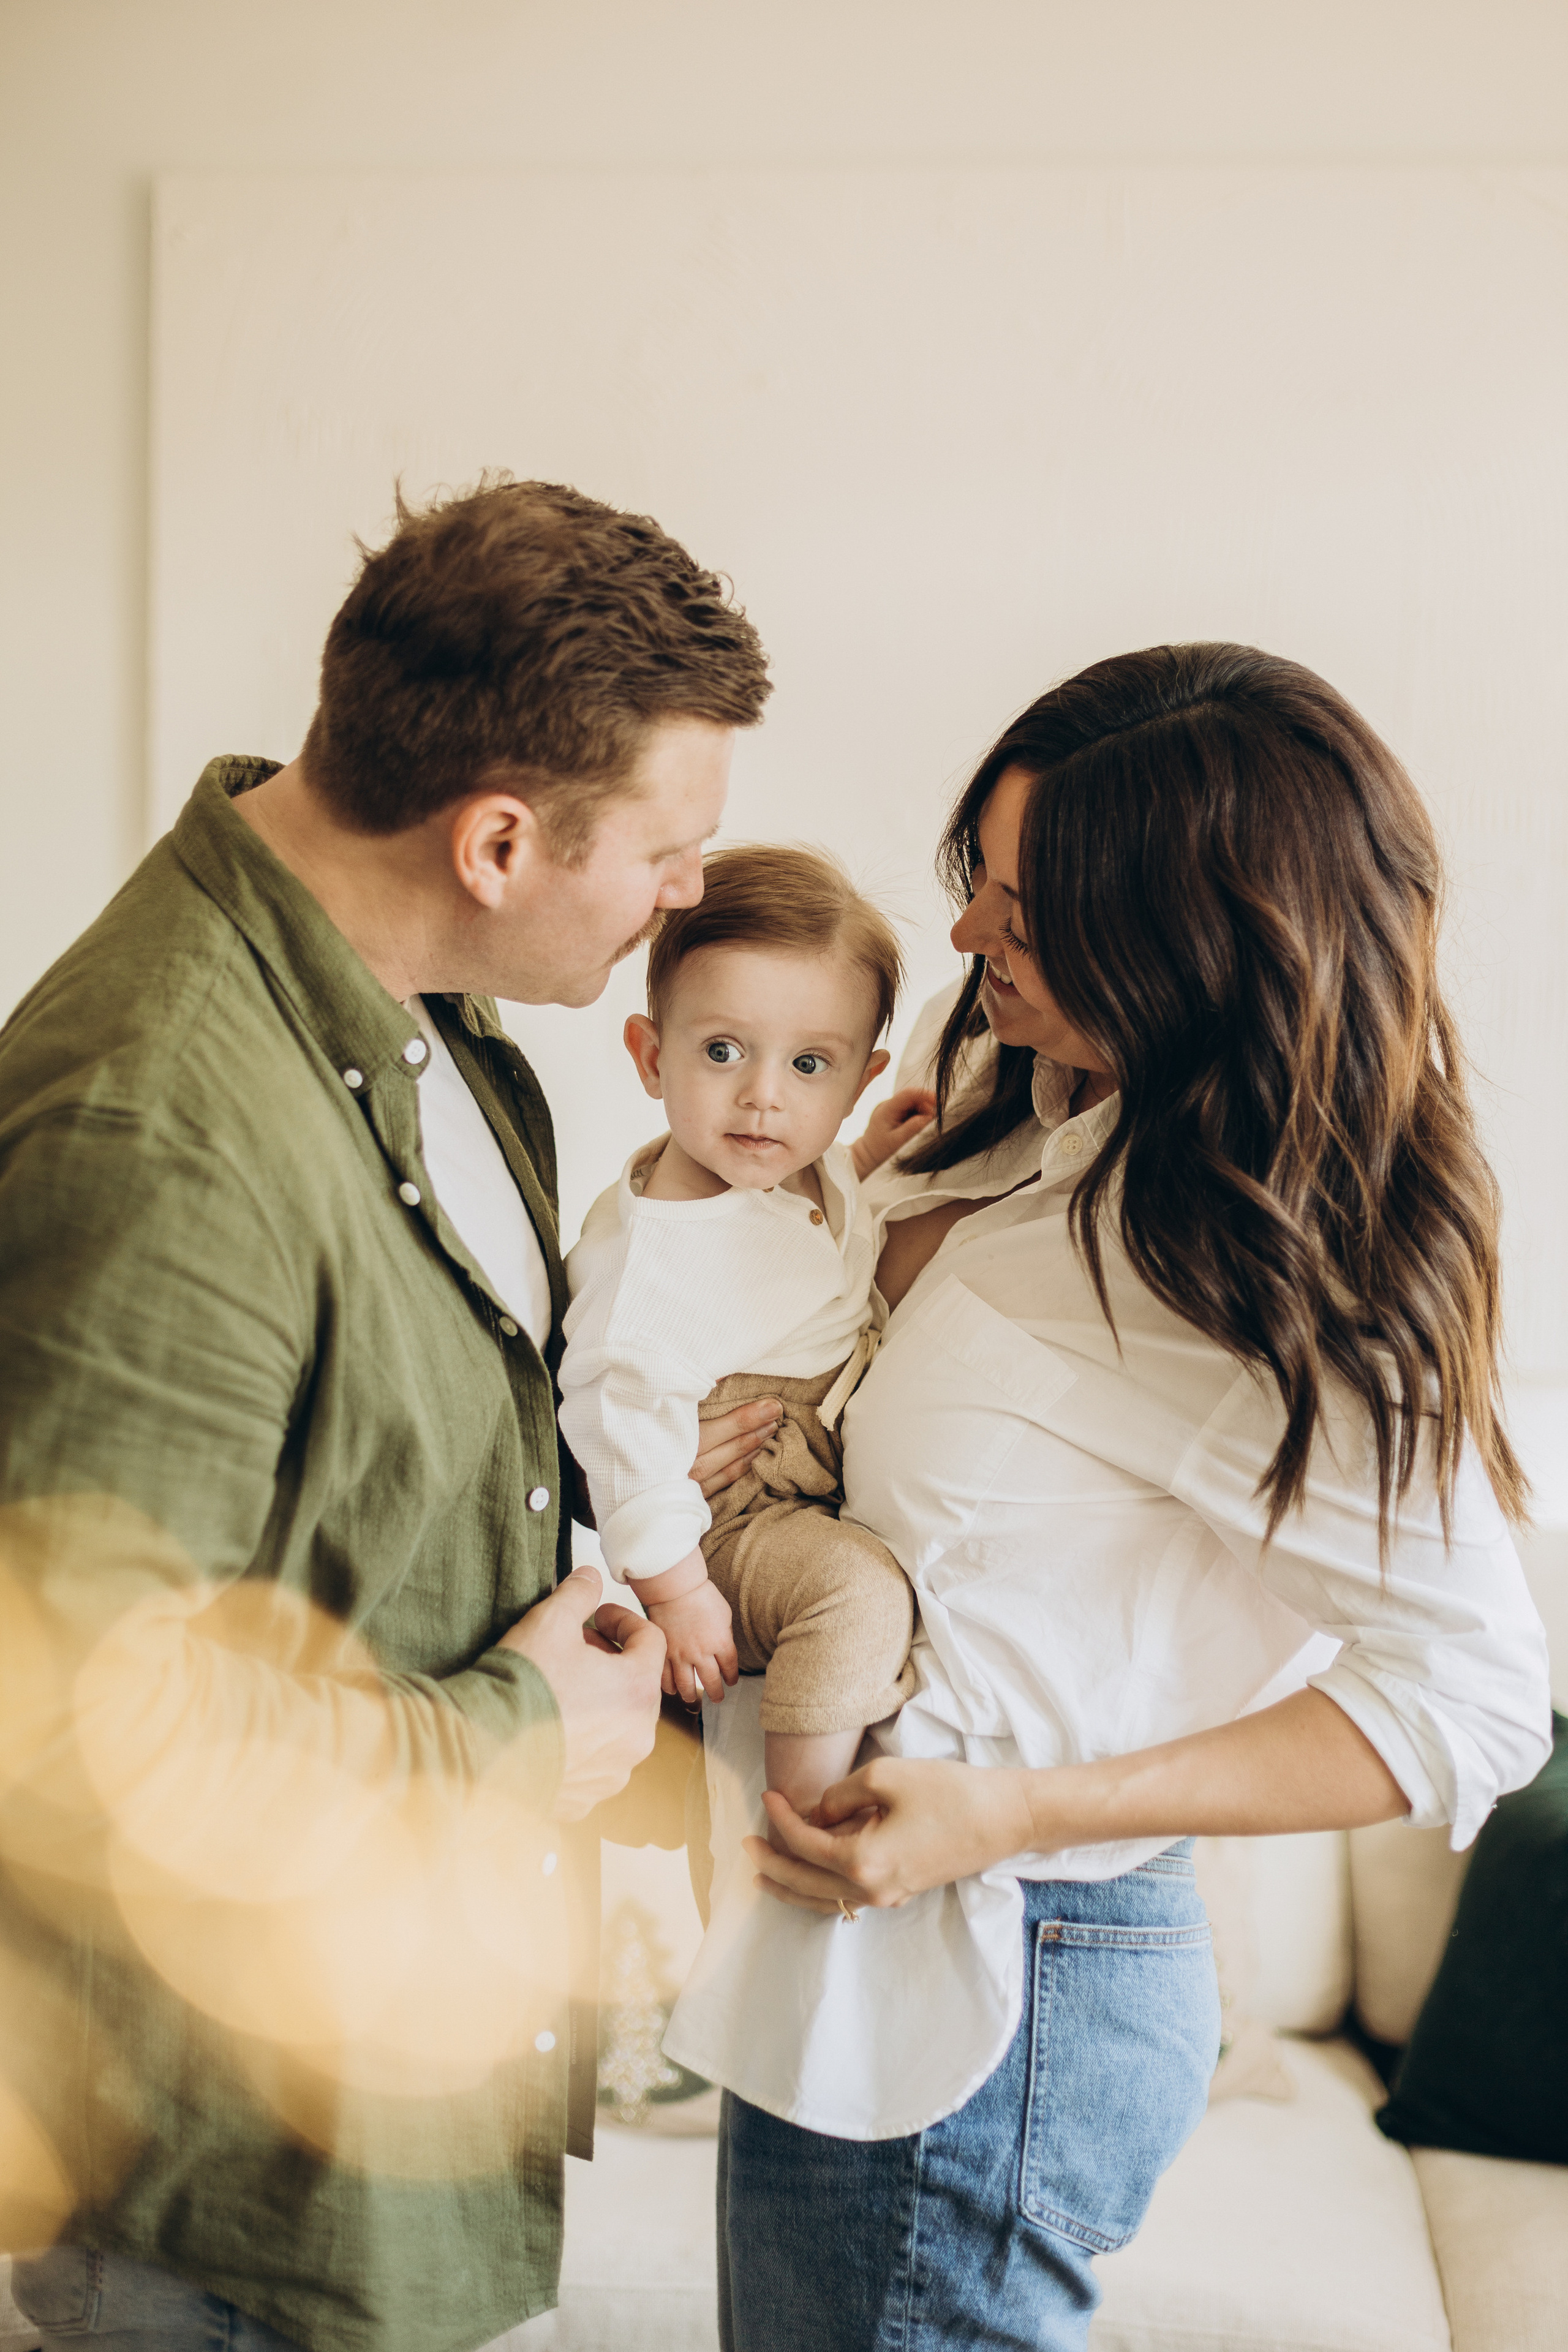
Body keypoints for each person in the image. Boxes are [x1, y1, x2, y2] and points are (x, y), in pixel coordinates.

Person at [666, 643, 1554, 2352]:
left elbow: (1477, 1699)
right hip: (866, 1946)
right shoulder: (1040, 1120)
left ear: (1189, 940)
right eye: (980, 887)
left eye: (1027, 910)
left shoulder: (1249, 1268)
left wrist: (1018, 1814)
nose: (974, 941)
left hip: (994, 1962)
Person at [0, 478, 780, 2352]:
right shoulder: (165, 1121)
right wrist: (527, 1726)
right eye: (668, 851)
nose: (691, 898)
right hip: (223, 2211)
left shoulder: (423, 1015)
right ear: (501, 838)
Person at [559, 844, 935, 1827]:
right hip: (729, 1516)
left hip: (810, 1465)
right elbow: (619, 1427)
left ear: (858, 1079)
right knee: (858, 1598)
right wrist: (681, 1597)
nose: (765, 1095)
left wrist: (865, 1152)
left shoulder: (794, 1165)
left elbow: (789, 1245)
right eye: (723, 1051)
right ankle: (799, 1824)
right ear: (651, 1056)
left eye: (810, 1064)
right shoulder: (652, 1259)